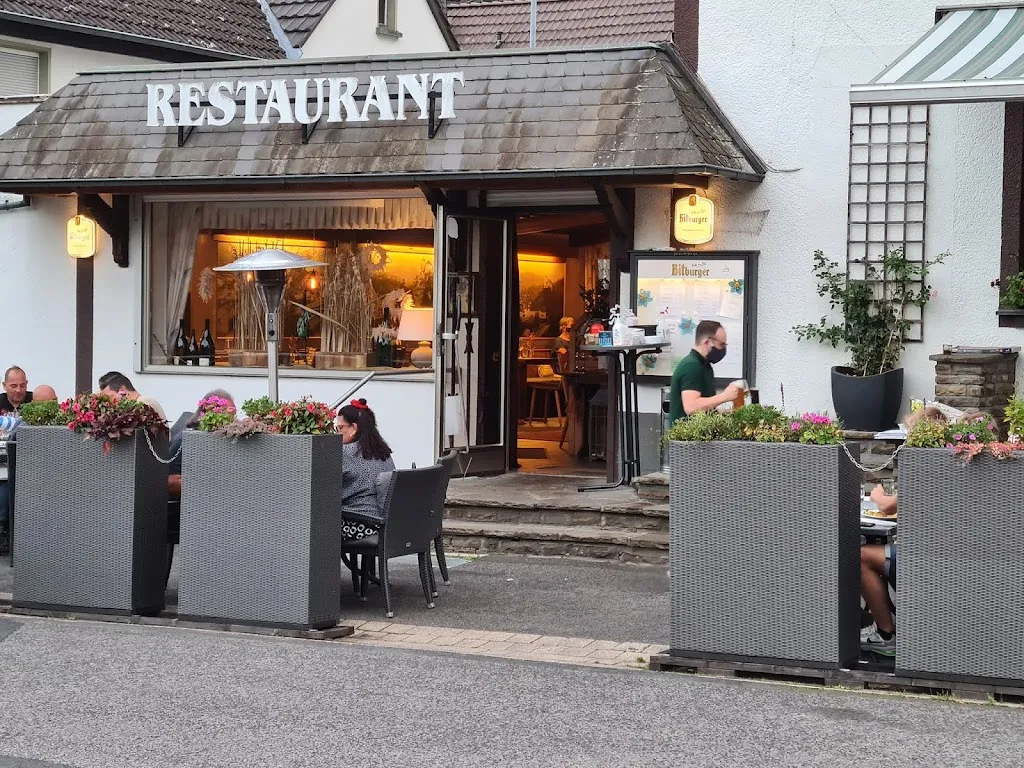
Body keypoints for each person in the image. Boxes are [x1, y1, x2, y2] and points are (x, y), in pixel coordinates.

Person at [860, 405, 949, 657]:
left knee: (862, 556)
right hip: (939, 555)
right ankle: (886, 619)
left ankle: (887, 633)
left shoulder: (926, 468)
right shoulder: (946, 467)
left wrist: (876, 493)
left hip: (921, 559)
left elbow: (887, 507)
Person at [337, 398, 395, 541]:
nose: (337, 433)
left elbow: (331, 490)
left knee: (317, 526)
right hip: (384, 522)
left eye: (340, 428)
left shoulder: (345, 452)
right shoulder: (383, 451)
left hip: (360, 523)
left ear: (354, 428)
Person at [668, 320, 742, 424]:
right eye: (721, 345)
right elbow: (691, 407)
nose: (723, 349)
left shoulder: (704, 365)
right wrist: (725, 396)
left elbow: (704, 404)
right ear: (707, 342)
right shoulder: (692, 366)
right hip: (686, 438)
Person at [168, 389, 235, 500]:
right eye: (229, 416)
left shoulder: (218, 438)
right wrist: (210, 483)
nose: (232, 422)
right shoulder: (184, 440)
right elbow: (171, 483)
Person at [98, 371, 167, 422]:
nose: (109, 402)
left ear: (122, 391)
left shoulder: (143, 403)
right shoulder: (140, 402)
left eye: (110, 397)